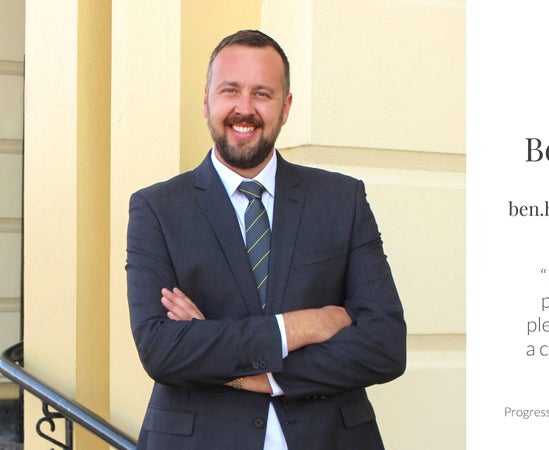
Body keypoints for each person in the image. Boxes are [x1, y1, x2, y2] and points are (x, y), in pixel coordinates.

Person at [126, 29, 406, 450]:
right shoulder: (157, 208)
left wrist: (253, 373)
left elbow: (384, 346)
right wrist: (301, 326)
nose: (244, 108)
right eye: (230, 90)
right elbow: (161, 351)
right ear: (206, 100)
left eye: (262, 93)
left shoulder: (342, 199)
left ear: (285, 107)